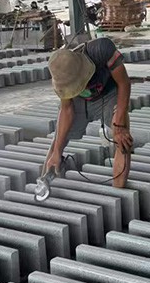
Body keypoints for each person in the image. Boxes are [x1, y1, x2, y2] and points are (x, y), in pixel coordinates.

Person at [44, 37, 133, 188]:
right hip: (80, 102)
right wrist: (57, 151)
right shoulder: (62, 76)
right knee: (57, 143)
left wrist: (119, 124)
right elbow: (66, 110)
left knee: (122, 138)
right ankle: (44, 186)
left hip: (109, 94)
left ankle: (119, 192)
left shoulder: (101, 50)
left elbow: (124, 83)